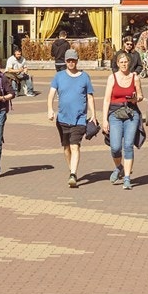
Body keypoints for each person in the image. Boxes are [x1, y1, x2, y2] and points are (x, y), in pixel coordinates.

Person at [46, 48, 97, 189]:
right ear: (65, 61)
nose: (71, 63)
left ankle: (73, 174)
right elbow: (51, 95)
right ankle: (71, 170)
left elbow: (90, 96)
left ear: (77, 61)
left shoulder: (85, 77)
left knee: (75, 146)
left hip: (79, 118)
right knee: (66, 147)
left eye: (73, 60)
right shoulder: (59, 76)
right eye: (68, 60)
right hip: (62, 118)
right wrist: (50, 110)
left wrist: (93, 114)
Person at [103, 51, 144, 190]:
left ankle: (127, 178)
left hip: (131, 114)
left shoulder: (135, 77)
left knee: (128, 145)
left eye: (126, 62)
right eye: (121, 62)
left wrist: (135, 99)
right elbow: (107, 99)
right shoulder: (112, 78)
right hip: (115, 114)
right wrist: (104, 120)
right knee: (115, 147)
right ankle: (118, 167)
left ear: (129, 63)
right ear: (117, 64)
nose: (124, 64)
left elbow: (140, 96)